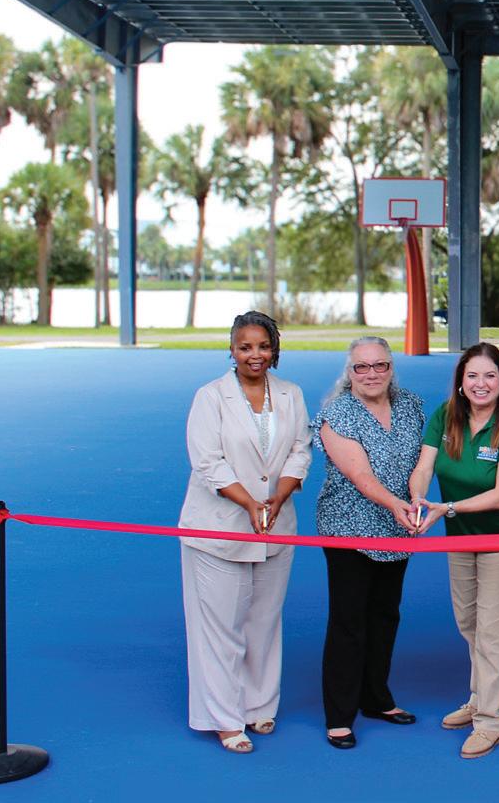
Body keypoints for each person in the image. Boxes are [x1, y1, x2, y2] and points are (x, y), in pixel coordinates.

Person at [179, 311, 311, 753]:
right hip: (218, 529)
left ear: (275, 349)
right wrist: (249, 502)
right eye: (245, 347)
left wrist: (279, 496)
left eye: (263, 346)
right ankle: (224, 718)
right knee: (220, 627)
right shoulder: (210, 397)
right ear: (232, 350)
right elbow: (207, 462)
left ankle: (259, 705)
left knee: (264, 621)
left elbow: (300, 451)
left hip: (277, 526)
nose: (255, 355)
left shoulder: (291, 394)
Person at [409, 343, 499, 760]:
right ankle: (478, 696)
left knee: (492, 632)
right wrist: (418, 500)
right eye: (472, 376)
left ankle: (489, 722)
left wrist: (445, 508)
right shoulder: (445, 415)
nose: (480, 384)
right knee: (469, 623)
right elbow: (424, 467)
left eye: (490, 376)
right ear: (460, 382)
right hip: (461, 537)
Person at [309, 337, 425, 750]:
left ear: (392, 367)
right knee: (349, 622)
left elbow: (422, 461)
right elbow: (360, 476)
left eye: (380, 365)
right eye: (362, 366)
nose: (371, 374)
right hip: (349, 528)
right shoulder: (336, 414)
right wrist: (397, 504)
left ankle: (376, 698)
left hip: (398, 529)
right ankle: (339, 716)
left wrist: (416, 501)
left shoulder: (411, 405)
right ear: (349, 372)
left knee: (385, 615)